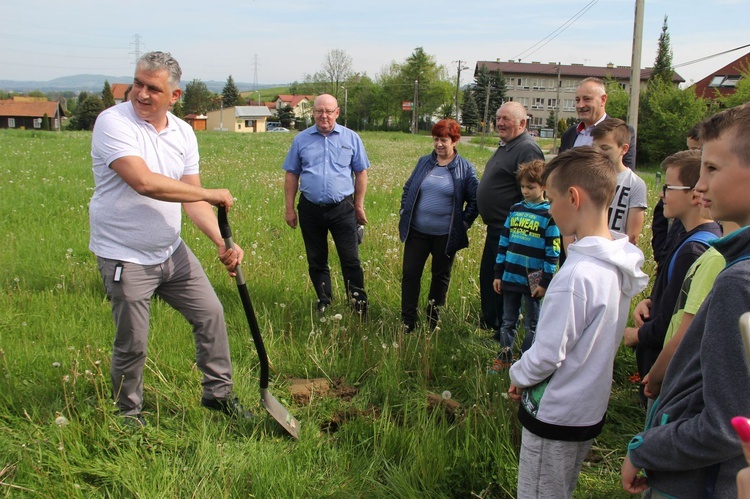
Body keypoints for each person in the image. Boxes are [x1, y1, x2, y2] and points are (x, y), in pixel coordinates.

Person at [89, 51, 251, 426]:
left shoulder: (183, 132)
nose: (141, 94)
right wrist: (211, 193)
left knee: (210, 314)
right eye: (138, 84)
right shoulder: (113, 123)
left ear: (174, 96)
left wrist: (222, 242)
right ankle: (128, 413)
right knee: (134, 342)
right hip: (125, 255)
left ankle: (219, 396)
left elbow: (192, 200)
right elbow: (144, 182)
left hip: (170, 250)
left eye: (153, 89)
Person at [621, 103, 750, 498]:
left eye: (712, 169)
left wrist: (646, 448)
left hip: (698, 483)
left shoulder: (738, 281)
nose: (701, 185)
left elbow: (726, 424)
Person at [508, 147, 648, 498]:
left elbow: (548, 354)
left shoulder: (576, 276)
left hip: (556, 415)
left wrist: (517, 374)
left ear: (573, 197)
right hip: (587, 409)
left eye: (552, 198)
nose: (549, 208)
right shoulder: (616, 262)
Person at [623, 150, 721, 403]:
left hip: (664, 373)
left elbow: (674, 323)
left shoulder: (694, 249)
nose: (662, 195)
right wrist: (652, 303)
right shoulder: (685, 234)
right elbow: (675, 299)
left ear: (694, 193)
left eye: (668, 187)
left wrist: (637, 335)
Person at [282, 94, 370, 316]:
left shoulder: (351, 138)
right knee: (316, 259)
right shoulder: (301, 140)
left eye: (328, 111)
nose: (324, 116)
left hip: (343, 208)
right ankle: (324, 300)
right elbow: (292, 174)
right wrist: (290, 208)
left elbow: (361, 173)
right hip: (310, 209)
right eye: (319, 111)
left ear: (337, 113)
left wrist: (359, 206)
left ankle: (358, 303)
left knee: (350, 259)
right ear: (313, 113)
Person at [398, 119, 479, 332]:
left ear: (454, 140)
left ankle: (433, 319)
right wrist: (403, 210)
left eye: (444, 140)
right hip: (417, 231)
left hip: (446, 234)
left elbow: (475, 200)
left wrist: (463, 223)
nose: (439, 144)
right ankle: (408, 321)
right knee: (410, 274)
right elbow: (408, 189)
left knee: (440, 276)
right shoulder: (424, 162)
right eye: (436, 139)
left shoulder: (465, 169)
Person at [477, 102, 544, 331]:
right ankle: (490, 321)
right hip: (498, 228)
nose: (500, 123)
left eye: (506, 118)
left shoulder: (526, 149)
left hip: (513, 231)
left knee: (501, 280)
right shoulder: (507, 145)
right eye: (498, 118)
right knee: (489, 275)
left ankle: (499, 327)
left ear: (522, 123)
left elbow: (533, 191)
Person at [492, 159, 560, 368]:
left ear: (544, 187)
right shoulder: (515, 210)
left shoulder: (550, 215)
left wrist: (545, 281)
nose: (525, 191)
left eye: (530, 187)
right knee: (508, 320)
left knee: (532, 323)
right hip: (511, 273)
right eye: (522, 186)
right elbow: (503, 242)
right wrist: (498, 273)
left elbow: (553, 251)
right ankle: (504, 358)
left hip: (534, 278)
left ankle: (527, 362)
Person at [591, 118, 647, 245]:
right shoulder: (585, 178)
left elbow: (632, 236)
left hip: (615, 253)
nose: (598, 152)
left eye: (605, 148)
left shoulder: (635, 184)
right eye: (594, 147)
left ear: (624, 149)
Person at [559, 77, 636, 169]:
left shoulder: (620, 131)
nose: (580, 105)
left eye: (587, 99)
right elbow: (558, 169)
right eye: (577, 100)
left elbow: (625, 174)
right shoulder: (569, 134)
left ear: (603, 100)